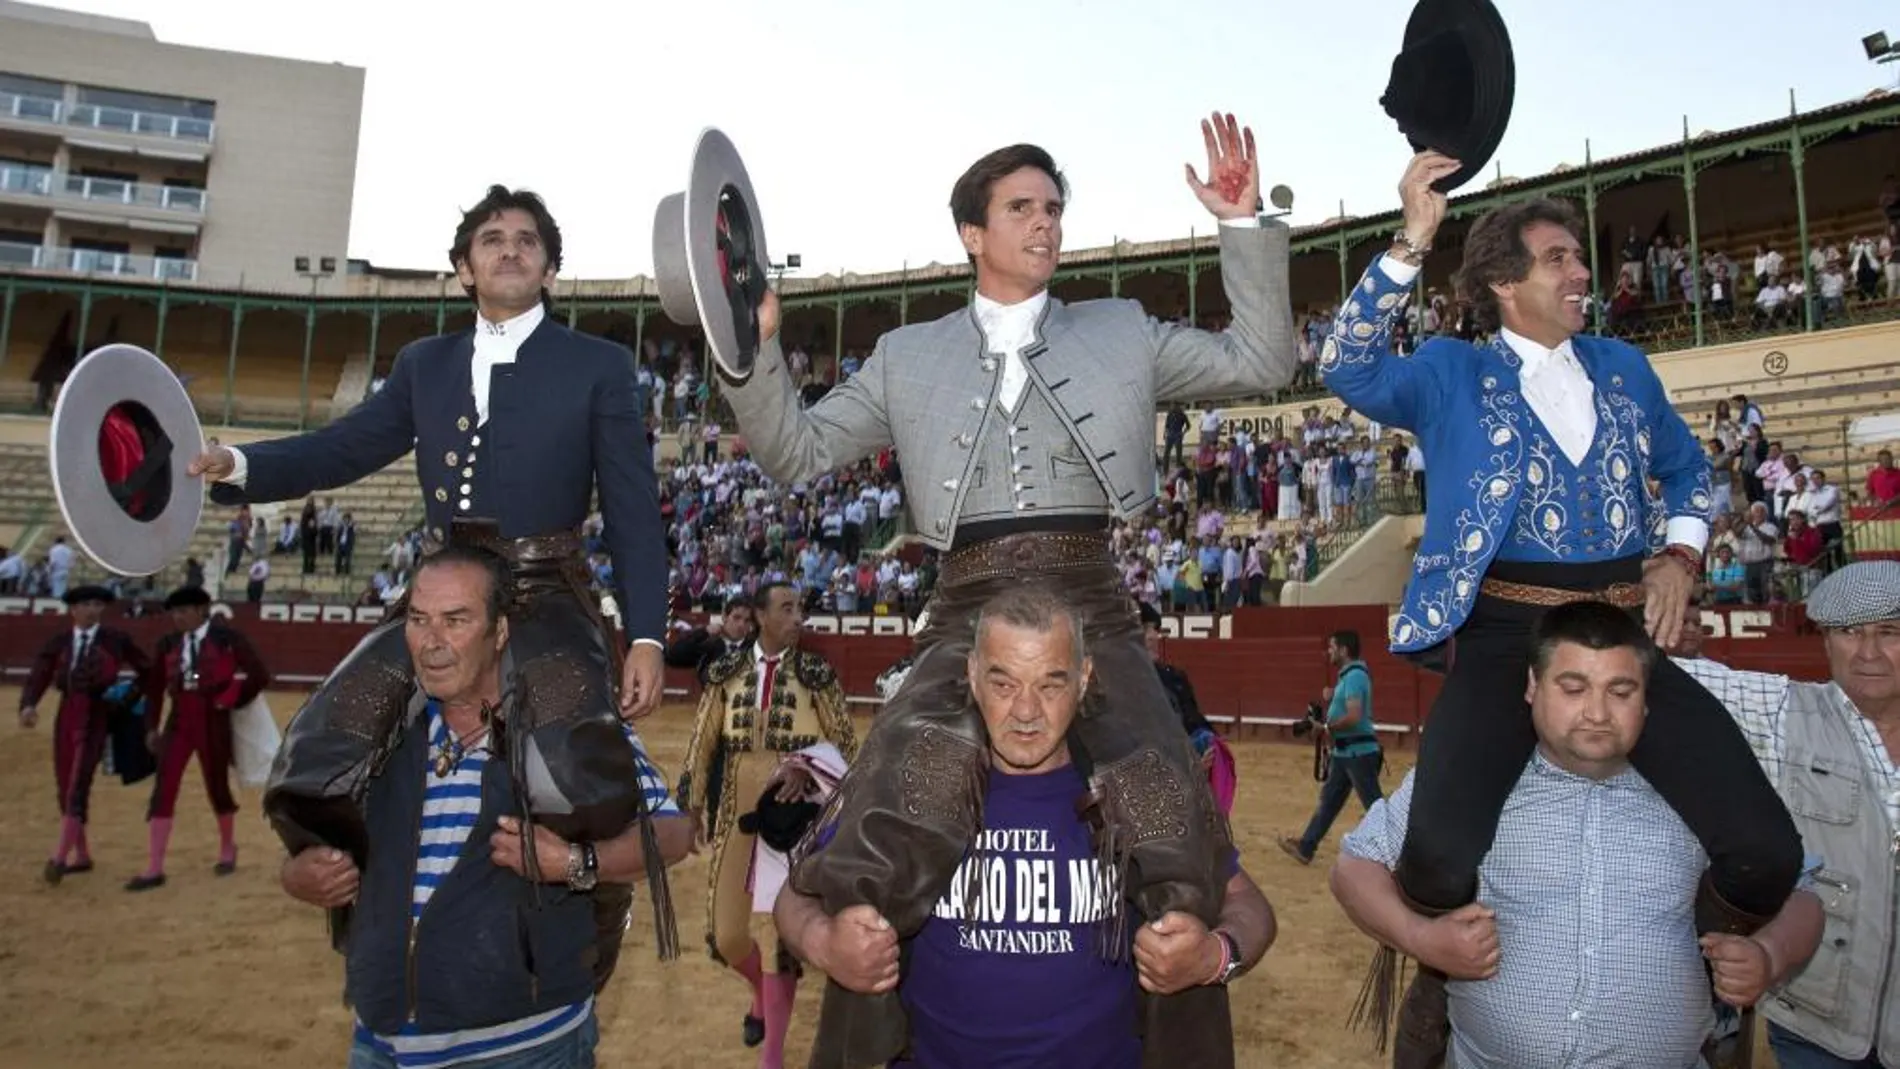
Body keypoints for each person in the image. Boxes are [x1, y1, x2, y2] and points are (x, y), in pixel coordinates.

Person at [723, 114, 1296, 1067]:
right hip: (962, 617)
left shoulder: (1120, 329)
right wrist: (755, 352)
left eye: (1055, 208)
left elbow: (1263, 364)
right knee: (879, 839)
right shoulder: (907, 355)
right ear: (972, 234)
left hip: (1097, 612)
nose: (1046, 224)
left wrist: (1241, 228)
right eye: (1022, 208)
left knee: (1172, 835)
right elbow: (797, 451)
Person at [1318, 151, 1802, 1060]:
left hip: (1624, 635)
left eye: (1580, 258)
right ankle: (1440, 997)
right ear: (1506, 283)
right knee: (1435, 860)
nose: (1583, 273)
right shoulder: (1449, 370)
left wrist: (1679, 555)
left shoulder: (1623, 365)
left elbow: (1690, 472)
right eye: (1558, 260)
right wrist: (1410, 241)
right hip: (1506, 636)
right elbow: (1345, 365)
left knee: (1766, 847)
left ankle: (1699, 980)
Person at [186, 186, 677, 952]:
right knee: (320, 750)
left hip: (544, 591)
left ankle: (588, 918)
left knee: (569, 768)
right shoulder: (425, 364)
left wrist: (646, 632)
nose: (509, 247)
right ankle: (372, 914)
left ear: (549, 269)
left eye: (526, 239)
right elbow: (341, 448)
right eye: (491, 238)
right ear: (463, 270)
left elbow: (632, 509)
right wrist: (240, 463)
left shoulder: (599, 365)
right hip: (444, 594)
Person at [775, 587, 1277, 1068]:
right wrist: (824, 944)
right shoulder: (913, 785)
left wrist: (1213, 957)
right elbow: (795, 896)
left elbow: (1248, 906)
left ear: (1084, 679)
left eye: (1050, 684)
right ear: (972, 676)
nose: (1025, 712)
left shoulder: (1137, 788)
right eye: (1003, 682)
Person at [1331, 601, 1824, 1069]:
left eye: (1620, 691)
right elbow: (1353, 868)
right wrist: (1422, 938)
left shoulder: (1698, 785)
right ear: (1531, 687)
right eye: (1573, 687)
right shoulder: (1472, 780)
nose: (1596, 712)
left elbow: (1802, 897)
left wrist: (1769, 954)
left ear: (1647, 699)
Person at [279, 548, 694, 1069]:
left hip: (526, 1048)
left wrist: (574, 863)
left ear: (499, 633)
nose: (431, 643)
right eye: (417, 619)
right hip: (380, 1044)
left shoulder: (560, 728)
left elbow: (672, 832)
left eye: (455, 621)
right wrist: (298, 875)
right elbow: (317, 845)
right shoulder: (372, 732)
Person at [1678, 560, 1900, 1069]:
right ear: (1825, 641)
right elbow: (1642, 670)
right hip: (1813, 1029)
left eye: (1889, 632)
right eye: (1848, 632)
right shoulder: (1782, 710)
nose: (1868, 652)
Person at [677, 581, 858, 1069]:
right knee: (726, 935)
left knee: (782, 939)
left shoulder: (816, 672)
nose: (798, 617)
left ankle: (772, 1057)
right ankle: (761, 993)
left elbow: (847, 745)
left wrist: (806, 766)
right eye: (786, 609)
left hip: (791, 807)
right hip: (737, 799)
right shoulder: (725, 670)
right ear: (759, 616)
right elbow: (702, 740)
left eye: (801, 608)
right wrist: (691, 802)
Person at [129, 586, 271, 891]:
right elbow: (154, 688)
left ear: (201, 610)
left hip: (213, 719)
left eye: (183, 611)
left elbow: (259, 674)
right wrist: (151, 727)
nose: (177, 617)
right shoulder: (167, 643)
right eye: (174, 612)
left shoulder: (226, 639)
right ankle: (154, 866)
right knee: (164, 786)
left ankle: (227, 848)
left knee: (216, 784)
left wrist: (231, 698)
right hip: (179, 719)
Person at [16, 584, 152, 884]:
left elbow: (148, 671)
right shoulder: (61, 641)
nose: (93, 610)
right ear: (73, 609)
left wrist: (127, 700)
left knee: (78, 782)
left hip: (96, 715)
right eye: (87, 604)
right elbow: (40, 672)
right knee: (65, 783)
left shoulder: (115, 640)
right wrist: (28, 705)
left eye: (98, 604)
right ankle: (83, 854)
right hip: (66, 715)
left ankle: (59, 857)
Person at [1277, 629, 1382, 866]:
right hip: (1346, 752)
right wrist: (1333, 695)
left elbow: (1354, 716)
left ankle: (1398, 855)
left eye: (1332, 647)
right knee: (1329, 802)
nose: (1329, 652)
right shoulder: (1349, 677)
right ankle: (1306, 847)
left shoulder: (1354, 676)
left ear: (1344, 650)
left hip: (1358, 753)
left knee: (1375, 807)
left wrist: (1325, 727)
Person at [664, 597, 757, 684]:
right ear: (724, 617)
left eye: (747, 620)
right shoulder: (708, 645)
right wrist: (704, 632)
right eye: (736, 618)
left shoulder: (754, 648)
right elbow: (673, 656)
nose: (741, 624)